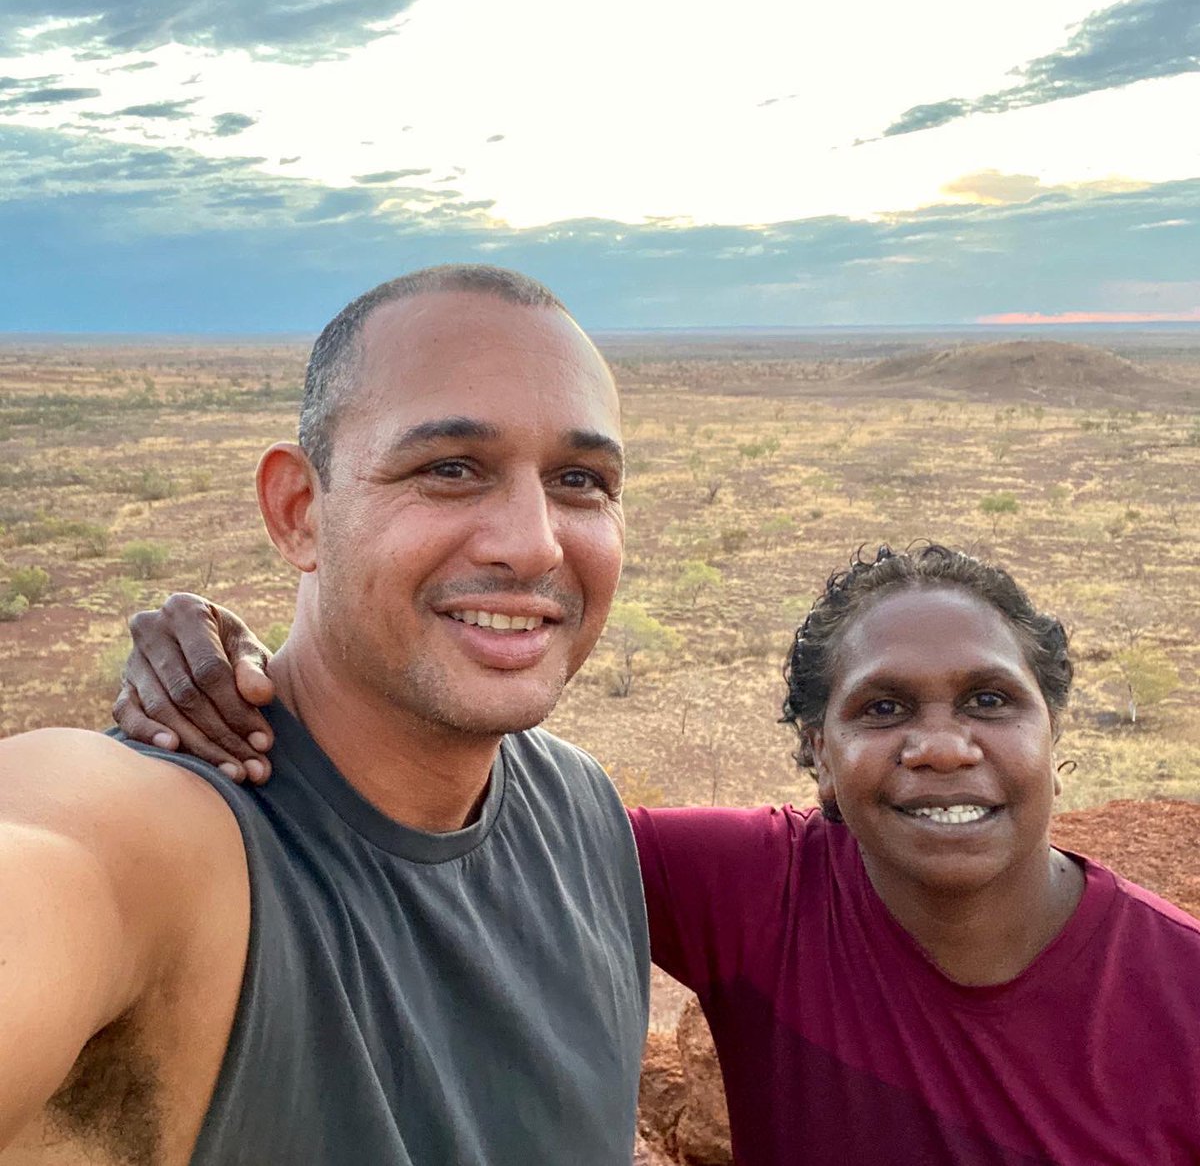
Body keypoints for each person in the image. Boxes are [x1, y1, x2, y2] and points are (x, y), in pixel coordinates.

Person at [121, 545, 1200, 1165]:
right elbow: (463, 818)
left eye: (989, 699)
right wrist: (247, 684)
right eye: (881, 707)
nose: (941, 743)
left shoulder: (1180, 995)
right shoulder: (758, 890)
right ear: (819, 758)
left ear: (1053, 729)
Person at [0, 264, 650, 1165]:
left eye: (581, 479)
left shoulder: (581, 812)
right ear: (299, 511)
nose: (534, 541)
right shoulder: (171, 850)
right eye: (451, 469)